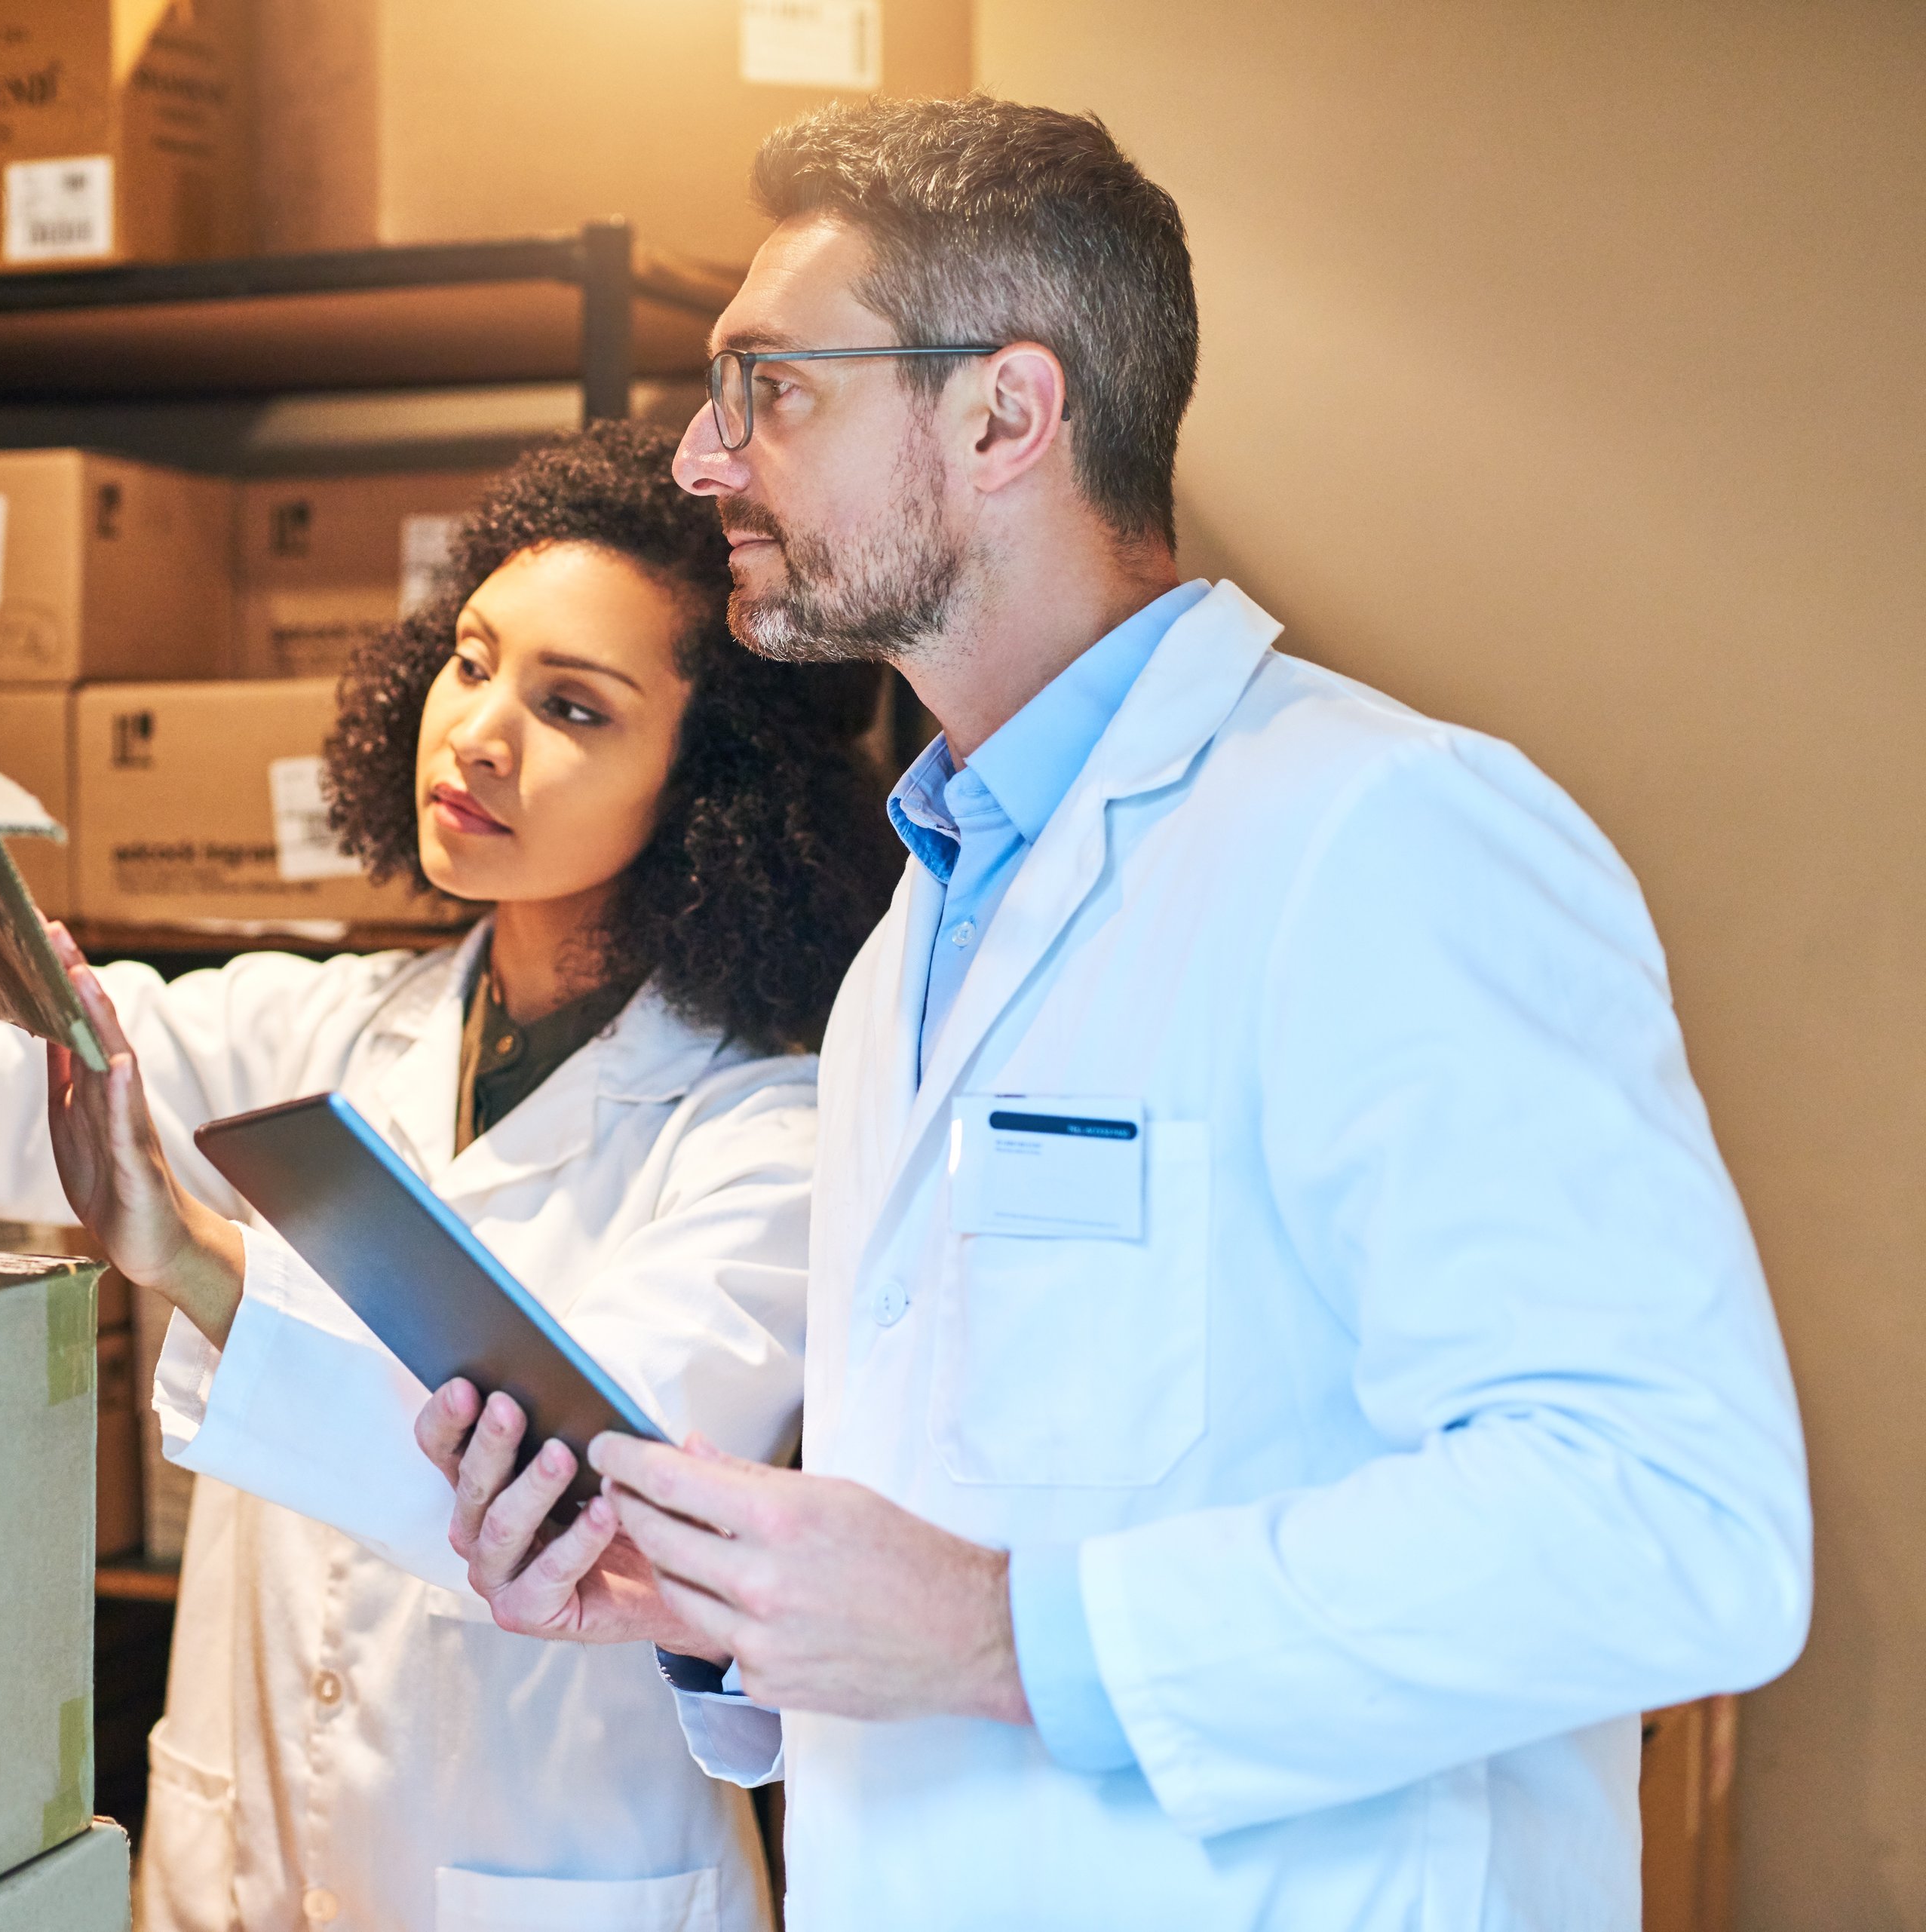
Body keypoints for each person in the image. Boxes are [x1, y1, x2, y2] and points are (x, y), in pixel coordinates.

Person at [422, 98, 1814, 1929]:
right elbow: (967, 1534)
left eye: (773, 388)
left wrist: (998, 1634)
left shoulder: (1384, 832)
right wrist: (723, 1610)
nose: (702, 457)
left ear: (1005, 416)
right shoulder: (919, 931)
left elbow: (1675, 1524)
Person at [0, 422, 899, 1932]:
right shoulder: (331, 1028)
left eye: (572, 706)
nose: (478, 732)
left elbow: (567, 1492)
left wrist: (197, 1257)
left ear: (713, 785)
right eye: (471, 661)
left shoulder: (773, 1133)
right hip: (240, 1873)